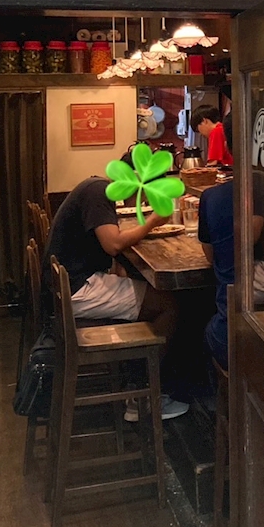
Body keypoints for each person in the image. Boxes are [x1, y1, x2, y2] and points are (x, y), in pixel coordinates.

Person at [42, 170, 189, 419]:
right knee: (168, 304)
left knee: (141, 285)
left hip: (69, 285)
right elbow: (113, 244)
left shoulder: (96, 188)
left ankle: (141, 382)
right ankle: (140, 398)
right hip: (77, 289)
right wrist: (153, 221)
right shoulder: (98, 193)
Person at [199, 169, 264, 368]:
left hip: (229, 328)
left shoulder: (210, 196)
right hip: (251, 311)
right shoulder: (260, 182)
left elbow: (210, 255)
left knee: (206, 327)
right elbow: (249, 237)